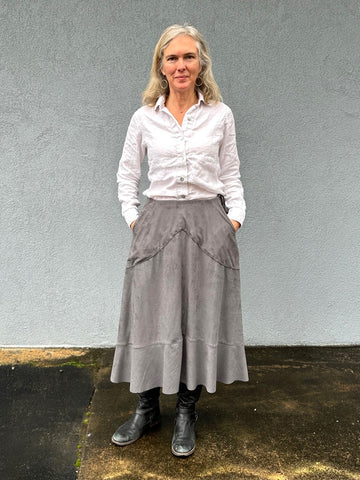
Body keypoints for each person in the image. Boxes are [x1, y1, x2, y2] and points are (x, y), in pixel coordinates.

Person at [110, 24, 248, 457]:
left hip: (209, 223)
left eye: (189, 56)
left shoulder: (220, 115)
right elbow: (127, 175)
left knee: (198, 317)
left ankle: (187, 411)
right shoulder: (144, 117)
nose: (181, 65)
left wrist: (234, 220)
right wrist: (135, 219)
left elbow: (231, 176)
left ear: (201, 63)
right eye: (172, 58)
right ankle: (146, 408)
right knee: (151, 316)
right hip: (158, 223)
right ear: (161, 66)